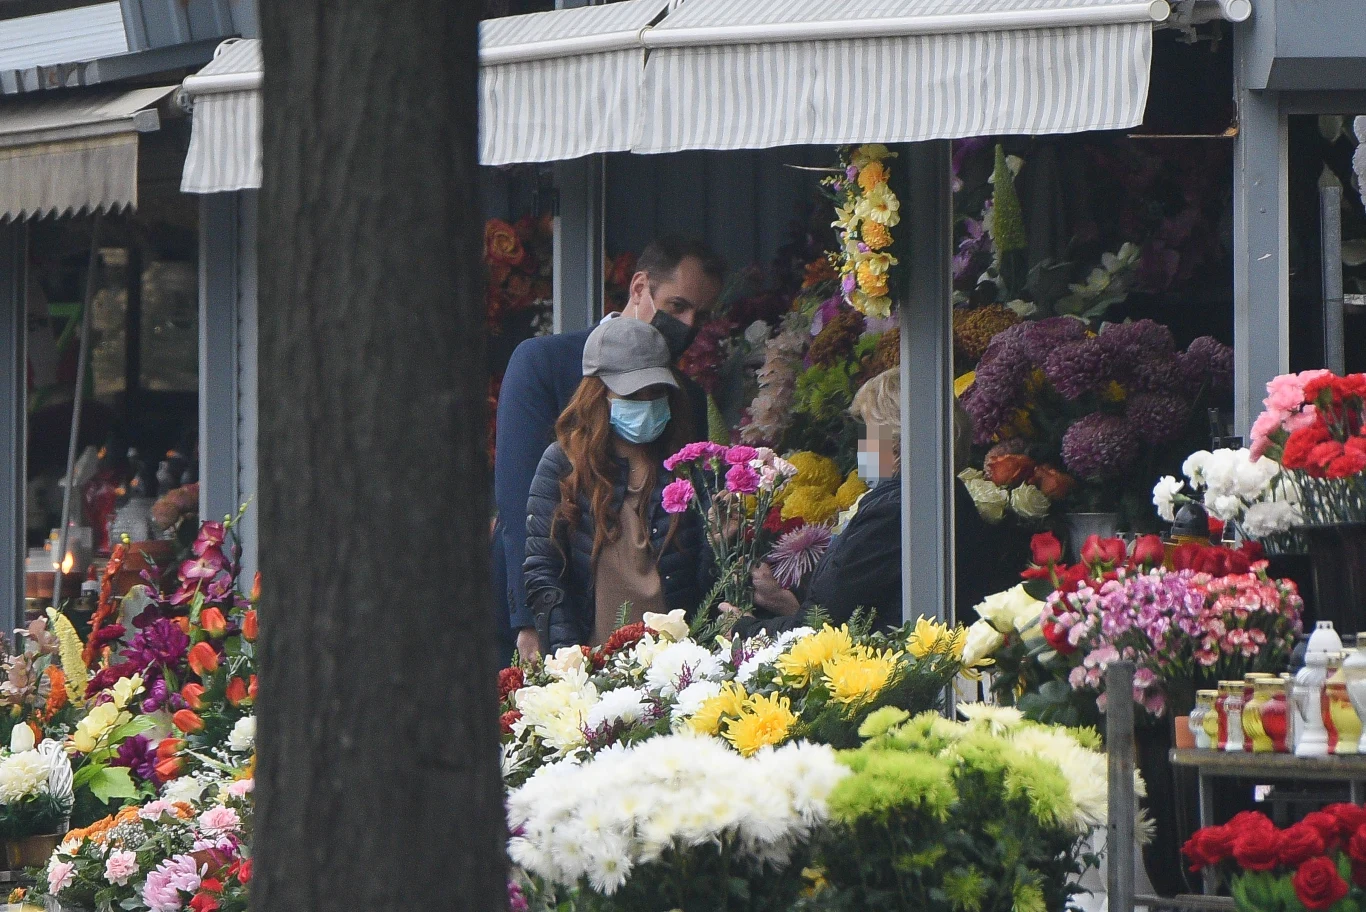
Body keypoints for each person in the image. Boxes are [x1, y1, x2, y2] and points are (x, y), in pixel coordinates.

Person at [495, 236, 724, 662]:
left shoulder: (686, 397)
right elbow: (518, 502)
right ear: (640, 288)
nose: (690, 326)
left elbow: (688, 527)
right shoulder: (544, 361)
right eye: (678, 307)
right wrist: (530, 625)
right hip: (561, 626)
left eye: (702, 314)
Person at [735, 369, 1023, 633]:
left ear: (896, 445)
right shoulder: (932, 494)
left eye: (868, 435)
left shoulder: (897, 511)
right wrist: (784, 602)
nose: (861, 448)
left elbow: (825, 627)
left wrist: (742, 630)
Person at [522, 319, 710, 653]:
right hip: (593, 668)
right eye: (632, 394)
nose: (648, 403)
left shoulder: (687, 465)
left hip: (676, 666)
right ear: (598, 394)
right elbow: (543, 569)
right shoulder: (562, 464)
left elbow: (704, 578)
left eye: (657, 392)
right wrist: (570, 659)